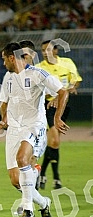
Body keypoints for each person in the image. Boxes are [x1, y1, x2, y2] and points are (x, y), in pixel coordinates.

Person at [0, 42, 69, 217]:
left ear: (12, 58)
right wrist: (4, 121)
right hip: (14, 129)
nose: (3, 63)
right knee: (15, 180)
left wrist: (57, 118)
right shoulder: (8, 77)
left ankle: (28, 209)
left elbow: (62, 91)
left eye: (4, 59)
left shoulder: (37, 74)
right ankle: (43, 203)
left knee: (23, 160)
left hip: (33, 125)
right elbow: (5, 102)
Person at [37, 39, 82, 190]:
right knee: (55, 141)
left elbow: (75, 82)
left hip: (64, 107)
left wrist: (69, 90)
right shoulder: (39, 68)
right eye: (43, 50)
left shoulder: (67, 63)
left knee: (53, 143)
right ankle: (56, 178)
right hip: (48, 106)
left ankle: (42, 174)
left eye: (48, 50)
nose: (45, 53)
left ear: (56, 50)